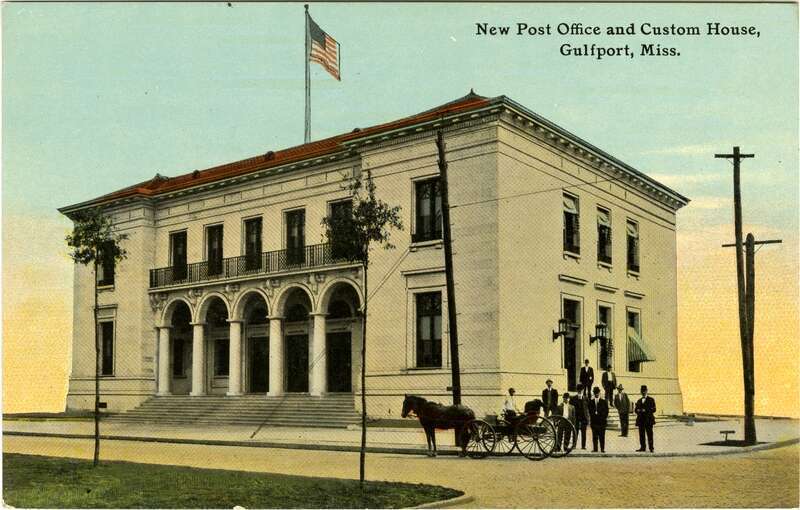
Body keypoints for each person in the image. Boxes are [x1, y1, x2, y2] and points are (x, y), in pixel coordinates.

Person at [634, 385, 656, 452]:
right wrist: (638, 410)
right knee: (641, 435)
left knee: (650, 434)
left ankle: (651, 448)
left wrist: (645, 410)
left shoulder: (651, 400)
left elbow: (654, 409)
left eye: (644, 391)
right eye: (642, 391)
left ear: (646, 391)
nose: (643, 392)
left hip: (648, 420)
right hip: (641, 420)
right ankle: (642, 447)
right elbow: (636, 409)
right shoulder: (639, 400)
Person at [588, 386, 609, 453]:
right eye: (595, 393)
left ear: (599, 393)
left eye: (597, 393)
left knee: (602, 436)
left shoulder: (604, 402)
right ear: (594, 393)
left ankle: (602, 449)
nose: (596, 394)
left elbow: (606, 411)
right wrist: (594, 416)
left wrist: (602, 418)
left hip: (601, 422)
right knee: (594, 436)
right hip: (594, 422)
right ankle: (595, 449)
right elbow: (590, 411)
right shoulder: (591, 402)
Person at [569, 383, 590, 450]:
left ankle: (583, 446)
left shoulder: (586, 398)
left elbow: (588, 409)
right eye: (578, 390)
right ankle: (574, 445)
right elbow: (570, 408)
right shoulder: (573, 398)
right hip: (576, 417)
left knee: (584, 432)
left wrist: (588, 418)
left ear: (583, 390)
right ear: (577, 390)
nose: (580, 391)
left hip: (584, 417)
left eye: (581, 390)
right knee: (575, 431)